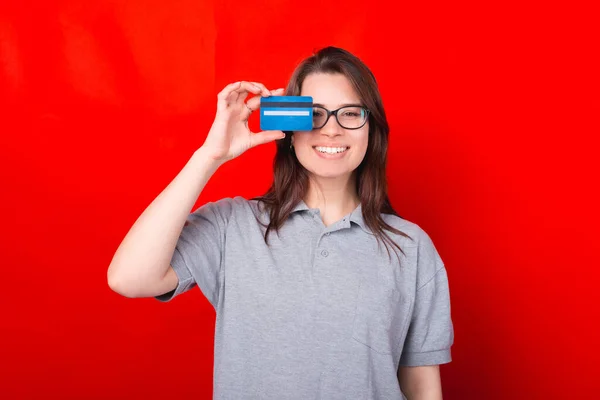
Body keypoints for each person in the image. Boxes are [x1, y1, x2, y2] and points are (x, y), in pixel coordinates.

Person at [107, 46, 454, 400]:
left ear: (371, 126)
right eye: (314, 114)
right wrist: (209, 156)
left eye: (350, 113)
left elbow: (422, 387)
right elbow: (128, 278)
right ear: (288, 124)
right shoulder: (233, 226)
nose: (332, 130)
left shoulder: (411, 247)